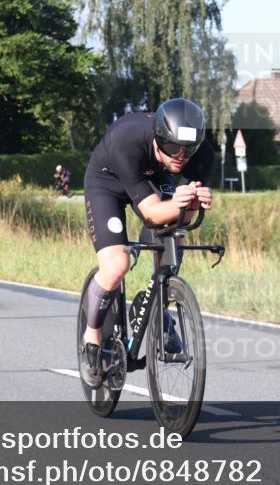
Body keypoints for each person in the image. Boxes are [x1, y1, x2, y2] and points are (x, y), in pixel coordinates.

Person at [80, 98, 215, 387]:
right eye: (171, 148)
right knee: (117, 265)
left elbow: (181, 218)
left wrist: (192, 203)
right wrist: (180, 202)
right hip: (108, 183)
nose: (180, 156)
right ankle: (91, 334)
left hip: (155, 179)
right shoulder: (127, 138)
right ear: (157, 138)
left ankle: (155, 302)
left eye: (187, 150)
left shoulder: (202, 155)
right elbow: (152, 212)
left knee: (173, 245)